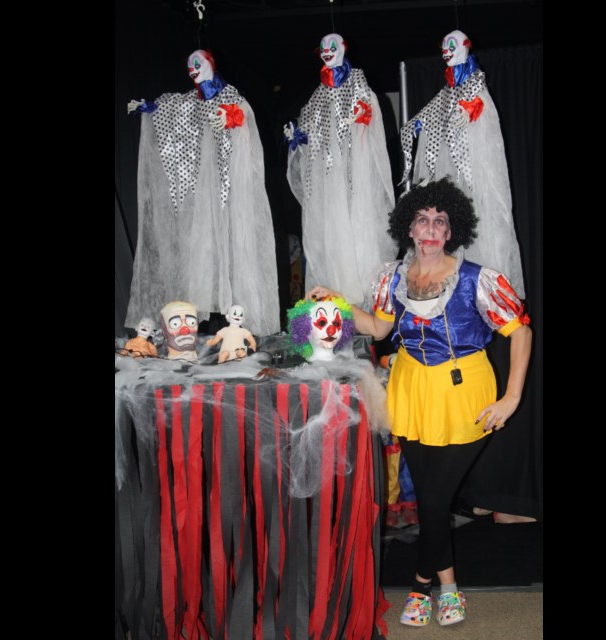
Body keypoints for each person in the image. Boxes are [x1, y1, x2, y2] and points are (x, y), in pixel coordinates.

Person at [307, 178, 532, 628]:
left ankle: (420, 583)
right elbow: (378, 329)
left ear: (451, 231)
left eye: (440, 222)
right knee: (431, 494)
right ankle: (447, 586)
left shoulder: (479, 279)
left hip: (464, 392)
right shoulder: (392, 277)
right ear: (409, 227)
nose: (430, 230)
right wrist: (339, 303)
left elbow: (521, 331)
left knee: (435, 496)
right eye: (422, 220)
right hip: (409, 389)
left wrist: (511, 397)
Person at [125, 49, 280, 337]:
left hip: (229, 195)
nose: (192, 69)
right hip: (202, 199)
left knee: (234, 258)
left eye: (197, 63)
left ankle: (241, 329)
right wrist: (149, 108)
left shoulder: (231, 96)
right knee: (201, 261)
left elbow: (242, 115)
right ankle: (187, 328)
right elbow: (169, 109)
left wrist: (230, 115)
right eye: (189, 66)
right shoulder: (189, 103)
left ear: (210, 64)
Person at [399, 30, 526, 300]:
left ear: (466, 47)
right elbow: (430, 112)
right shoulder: (446, 91)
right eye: (444, 45)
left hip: (472, 173)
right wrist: (417, 125)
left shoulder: (475, 84)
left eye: (452, 45)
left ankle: (481, 294)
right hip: (451, 174)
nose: (447, 50)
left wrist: (472, 110)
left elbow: (484, 118)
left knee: (477, 224)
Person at [285, 33, 396, 305]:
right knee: (330, 245)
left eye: (332, 47)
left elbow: (369, 118)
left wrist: (361, 114)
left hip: (353, 184)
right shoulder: (317, 98)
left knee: (357, 243)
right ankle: (332, 310)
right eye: (322, 48)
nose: (326, 52)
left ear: (344, 49)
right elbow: (310, 137)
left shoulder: (358, 84)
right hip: (327, 189)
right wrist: (298, 140)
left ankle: (362, 312)